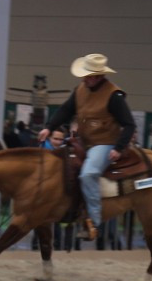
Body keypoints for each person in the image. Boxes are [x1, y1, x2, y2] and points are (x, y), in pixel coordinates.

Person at [37, 53, 135, 240]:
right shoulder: (80, 90)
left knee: (88, 174)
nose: (84, 78)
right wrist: (49, 128)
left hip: (105, 143)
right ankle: (66, 208)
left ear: (99, 76)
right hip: (83, 141)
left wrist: (119, 148)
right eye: (84, 74)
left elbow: (129, 124)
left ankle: (94, 222)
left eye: (88, 75)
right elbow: (65, 110)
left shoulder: (114, 96)